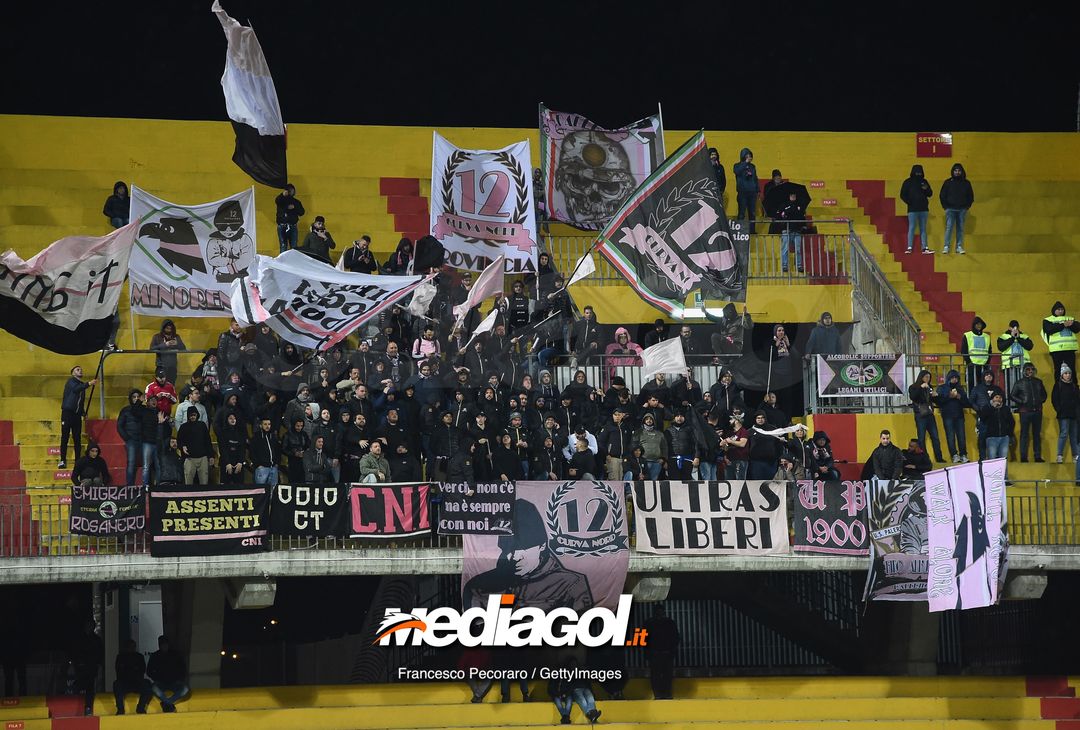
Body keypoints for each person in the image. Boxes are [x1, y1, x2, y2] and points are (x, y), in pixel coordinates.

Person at [463, 499, 592, 611]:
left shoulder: (570, 585)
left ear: (542, 546)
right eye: (508, 549)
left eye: (522, 548)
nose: (513, 556)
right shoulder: (478, 587)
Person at [59, 365, 96, 469]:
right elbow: (76, 390)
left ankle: (77, 461)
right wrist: (89, 383)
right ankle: (62, 460)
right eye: (77, 369)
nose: (80, 370)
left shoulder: (81, 385)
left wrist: (83, 412)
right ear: (72, 373)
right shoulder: (71, 382)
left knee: (77, 438)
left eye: (81, 369)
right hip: (67, 413)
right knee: (65, 437)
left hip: (76, 415)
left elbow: (80, 402)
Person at [1010, 362, 1047, 462]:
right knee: (1024, 434)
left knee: (1037, 434)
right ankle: (1023, 456)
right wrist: (1022, 402)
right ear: (1024, 371)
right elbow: (1012, 395)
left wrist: (1040, 400)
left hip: (1037, 411)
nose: (1030, 371)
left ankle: (1037, 456)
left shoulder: (1039, 382)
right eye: (1028, 369)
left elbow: (1044, 395)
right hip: (1025, 412)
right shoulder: (1019, 382)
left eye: (1032, 369)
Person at [642, 604, 680, 700]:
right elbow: (676, 638)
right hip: (665, 653)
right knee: (666, 676)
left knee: (657, 676)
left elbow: (643, 640)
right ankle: (666, 694)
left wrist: (647, 654)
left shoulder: (649, 623)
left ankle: (659, 694)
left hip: (655, 654)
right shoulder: (670, 623)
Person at [549, 656, 601, 725]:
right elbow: (551, 689)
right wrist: (558, 694)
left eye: (575, 663)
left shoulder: (580, 671)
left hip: (580, 689)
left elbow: (587, 682)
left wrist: (565, 694)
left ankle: (592, 713)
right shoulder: (566, 674)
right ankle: (566, 717)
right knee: (582, 700)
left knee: (590, 697)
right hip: (573, 690)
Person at [908, 369, 945, 463]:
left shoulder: (930, 387)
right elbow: (913, 397)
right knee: (921, 438)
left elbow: (937, 401)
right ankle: (924, 458)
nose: (927, 379)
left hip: (929, 414)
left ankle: (939, 458)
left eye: (929, 377)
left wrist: (936, 396)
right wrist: (921, 387)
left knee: (935, 437)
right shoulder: (913, 387)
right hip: (920, 415)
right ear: (921, 377)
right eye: (925, 377)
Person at [145, 635, 189, 713]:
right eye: (162, 645)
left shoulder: (175, 655)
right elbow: (149, 671)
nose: (164, 647)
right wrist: (157, 678)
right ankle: (169, 703)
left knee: (185, 689)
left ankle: (166, 703)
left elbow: (183, 669)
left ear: (168, 645)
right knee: (154, 688)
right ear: (159, 645)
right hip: (160, 682)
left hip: (175, 682)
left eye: (165, 645)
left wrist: (179, 679)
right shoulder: (155, 656)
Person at [70, 620, 103, 716]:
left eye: (91, 626)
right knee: (79, 684)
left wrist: (98, 664)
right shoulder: (80, 639)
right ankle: (73, 705)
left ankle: (88, 707)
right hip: (81, 667)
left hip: (91, 667)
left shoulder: (96, 640)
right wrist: (78, 663)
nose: (89, 627)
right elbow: (75, 652)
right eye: (88, 625)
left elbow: (100, 654)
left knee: (89, 687)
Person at [936, 369, 971, 463]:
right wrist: (949, 396)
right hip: (947, 416)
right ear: (948, 378)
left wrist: (960, 397)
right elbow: (938, 401)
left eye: (956, 378)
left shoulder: (960, 389)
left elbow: (967, 403)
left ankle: (963, 454)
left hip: (959, 415)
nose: (954, 379)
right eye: (952, 377)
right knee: (950, 436)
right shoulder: (942, 388)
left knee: (961, 436)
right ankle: (954, 455)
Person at [970, 368, 1005, 460]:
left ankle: (995, 458)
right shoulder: (977, 388)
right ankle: (982, 457)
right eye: (987, 375)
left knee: (995, 437)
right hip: (982, 416)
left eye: (990, 375)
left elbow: (1003, 399)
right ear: (983, 377)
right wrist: (979, 410)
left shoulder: (997, 389)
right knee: (982, 437)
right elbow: (971, 401)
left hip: (996, 416)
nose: (989, 376)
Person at [939, 162, 974, 254]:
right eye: (955, 170)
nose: (957, 172)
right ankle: (946, 246)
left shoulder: (966, 183)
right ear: (953, 171)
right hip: (950, 209)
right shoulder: (947, 182)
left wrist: (967, 206)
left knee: (960, 228)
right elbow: (942, 195)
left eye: (959, 171)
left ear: (962, 172)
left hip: (962, 209)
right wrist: (945, 207)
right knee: (949, 227)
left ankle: (959, 246)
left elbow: (970, 196)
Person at [899, 164, 934, 254]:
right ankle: (909, 247)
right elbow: (902, 195)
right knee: (912, 228)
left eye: (919, 171)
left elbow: (930, 193)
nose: (918, 173)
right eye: (917, 171)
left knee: (923, 229)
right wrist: (909, 202)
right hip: (912, 209)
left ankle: (924, 247)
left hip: (923, 209)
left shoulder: (924, 181)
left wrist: (926, 189)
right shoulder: (907, 182)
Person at [1042, 301, 1079, 379]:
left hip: (1070, 349)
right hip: (1057, 349)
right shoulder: (1048, 320)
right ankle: (1058, 389)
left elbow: (1077, 329)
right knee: (1058, 370)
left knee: (1071, 371)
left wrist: (1071, 325)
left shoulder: (1070, 318)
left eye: (1062, 309)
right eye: (1058, 309)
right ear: (1054, 310)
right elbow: (1048, 330)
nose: (1060, 311)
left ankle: (1074, 389)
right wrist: (1063, 325)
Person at [177, 408, 214, 486]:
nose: (192, 417)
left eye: (194, 415)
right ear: (188, 416)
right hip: (189, 458)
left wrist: (211, 456)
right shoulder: (183, 427)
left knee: (204, 482)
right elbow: (179, 440)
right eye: (191, 415)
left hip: (203, 457)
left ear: (197, 415)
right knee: (188, 483)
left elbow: (208, 441)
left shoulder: (202, 425)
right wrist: (182, 446)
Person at [113, 639, 150, 715]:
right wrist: (133, 669)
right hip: (124, 682)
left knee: (147, 684)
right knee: (116, 684)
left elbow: (142, 670)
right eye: (130, 646)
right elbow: (119, 671)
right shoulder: (120, 657)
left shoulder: (139, 657)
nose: (132, 648)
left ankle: (141, 708)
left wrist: (129, 670)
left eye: (133, 646)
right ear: (126, 647)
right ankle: (120, 709)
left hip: (137, 681)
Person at [1051, 365, 1079, 463]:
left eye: (1069, 373)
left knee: (1074, 435)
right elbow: (1054, 399)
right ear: (1062, 375)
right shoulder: (1058, 385)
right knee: (1063, 434)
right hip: (1063, 414)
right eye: (1066, 373)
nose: (1068, 375)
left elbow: (1077, 400)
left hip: (1073, 415)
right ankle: (1059, 455)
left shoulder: (1074, 386)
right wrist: (1059, 409)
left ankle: (1075, 456)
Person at [998, 320, 1034, 394]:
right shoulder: (1003, 336)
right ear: (1009, 328)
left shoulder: (1024, 336)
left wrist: (1018, 338)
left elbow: (1029, 346)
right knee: (1010, 387)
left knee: (1024, 387)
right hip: (1009, 366)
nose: (1014, 329)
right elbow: (1001, 347)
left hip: (1023, 366)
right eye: (1012, 327)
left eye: (1016, 327)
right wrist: (1012, 338)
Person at [980, 392, 1015, 463]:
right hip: (991, 438)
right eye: (996, 397)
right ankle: (992, 474)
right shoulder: (987, 407)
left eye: (1000, 397)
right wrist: (993, 408)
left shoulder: (1006, 409)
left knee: (1003, 461)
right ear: (992, 399)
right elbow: (983, 419)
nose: (998, 399)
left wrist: (1009, 434)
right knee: (992, 461)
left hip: (1004, 438)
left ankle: (1004, 474)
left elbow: (1011, 422)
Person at [149, 319, 185, 385]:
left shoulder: (176, 336)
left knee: (171, 385)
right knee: (160, 385)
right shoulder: (157, 337)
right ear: (163, 328)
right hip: (161, 365)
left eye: (171, 328)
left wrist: (177, 343)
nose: (169, 330)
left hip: (172, 366)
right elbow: (151, 349)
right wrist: (165, 345)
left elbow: (183, 348)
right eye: (167, 328)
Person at [633, 413, 667, 480]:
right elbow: (634, 446)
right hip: (644, 461)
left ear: (653, 421)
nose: (649, 420)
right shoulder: (638, 433)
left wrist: (663, 459)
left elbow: (664, 447)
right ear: (644, 421)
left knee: (653, 481)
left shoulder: (660, 434)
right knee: (644, 481)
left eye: (651, 419)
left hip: (657, 462)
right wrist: (637, 459)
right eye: (647, 419)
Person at [732, 147, 758, 233]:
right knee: (742, 212)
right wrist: (745, 163)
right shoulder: (737, 165)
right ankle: (740, 230)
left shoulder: (753, 167)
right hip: (742, 192)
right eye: (747, 156)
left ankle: (752, 230)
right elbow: (737, 172)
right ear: (743, 156)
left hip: (752, 193)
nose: (749, 158)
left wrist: (757, 190)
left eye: (750, 156)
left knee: (752, 213)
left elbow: (755, 178)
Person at [961, 316, 992, 389]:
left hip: (984, 366)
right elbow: (964, 350)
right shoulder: (967, 335)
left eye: (980, 324)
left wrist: (987, 363)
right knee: (971, 386)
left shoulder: (987, 336)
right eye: (977, 324)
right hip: (971, 366)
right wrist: (969, 362)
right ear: (974, 325)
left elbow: (989, 351)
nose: (979, 326)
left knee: (984, 387)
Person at [250, 418, 282, 487]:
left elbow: (278, 451)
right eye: (265, 424)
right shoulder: (256, 437)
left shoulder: (273, 437)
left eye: (269, 424)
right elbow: (252, 452)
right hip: (262, 468)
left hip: (273, 468)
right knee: (261, 491)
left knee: (273, 491)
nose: (267, 426)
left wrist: (276, 463)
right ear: (261, 425)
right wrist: (258, 464)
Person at [275, 183, 305, 253]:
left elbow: (302, 212)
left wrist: (295, 207)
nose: (292, 192)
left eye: (292, 190)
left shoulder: (296, 202)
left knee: (294, 247)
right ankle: (281, 263)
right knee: (283, 246)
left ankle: (292, 262)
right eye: (290, 190)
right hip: (282, 225)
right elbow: (277, 200)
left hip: (292, 225)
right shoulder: (281, 200)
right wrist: (282, 195)